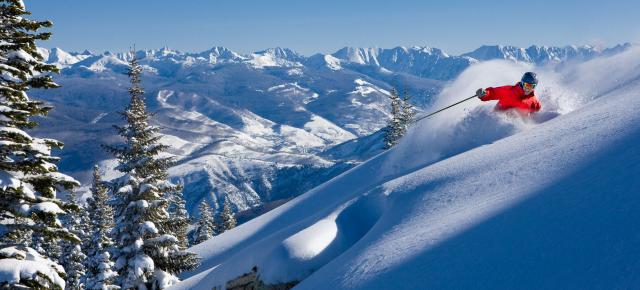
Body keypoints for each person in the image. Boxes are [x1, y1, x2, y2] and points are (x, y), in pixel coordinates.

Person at [476, 72, 541, 113]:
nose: (528, 89)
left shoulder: (533, 101)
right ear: (522, 83)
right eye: (527, 85)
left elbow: (536, 111)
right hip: (497, 118)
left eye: (532, 86)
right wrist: (484, 93)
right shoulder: (509, 91)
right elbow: (493, 93)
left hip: (516, 129)